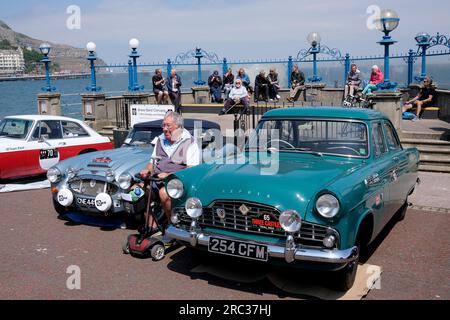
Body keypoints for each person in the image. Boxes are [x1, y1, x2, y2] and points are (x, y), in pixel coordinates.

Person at [139, 111, 200, 227]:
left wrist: (168, 175)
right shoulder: (160, 140)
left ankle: (172, 225)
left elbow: (191, 171)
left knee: (164, 194)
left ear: (178, 127)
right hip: (157, 180)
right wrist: (147, 169)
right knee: (138, 191)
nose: (164, 129)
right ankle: (151, 226)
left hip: (177, 183)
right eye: (163, 125)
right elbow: (151, 163)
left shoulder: (190, 142)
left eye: (168, 126)